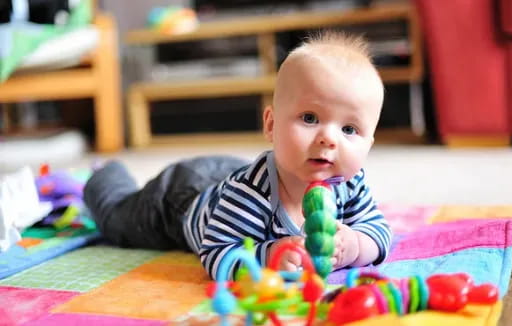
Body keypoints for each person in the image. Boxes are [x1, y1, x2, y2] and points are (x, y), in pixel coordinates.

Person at [84, 30, 392, 280]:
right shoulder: (250, 194)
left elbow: (379, 233)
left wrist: (355, 246)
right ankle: (104, 173)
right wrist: (268, 256)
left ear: (370, 142)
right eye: (310, 118)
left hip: (227, 172)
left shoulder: (349, 183)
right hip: (178, 199)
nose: (328, 138)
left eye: (349, 129)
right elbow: (216, 254)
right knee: (117, 220)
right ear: (271, 125)